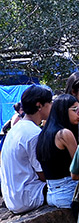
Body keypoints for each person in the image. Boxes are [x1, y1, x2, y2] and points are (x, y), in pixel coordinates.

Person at [0, 86, 52, 214]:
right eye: (49, 103)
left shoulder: (18, 129)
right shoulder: (33, 133)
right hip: (29, 196)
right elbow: (43, 175)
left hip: (12, 197)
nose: (52, 106)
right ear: (39, 105)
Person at [36, 94, 79, 208]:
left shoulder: (44, 132)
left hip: (51, 194)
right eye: (75, 109)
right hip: (68, 192)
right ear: (62, 111)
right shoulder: (64, 133)